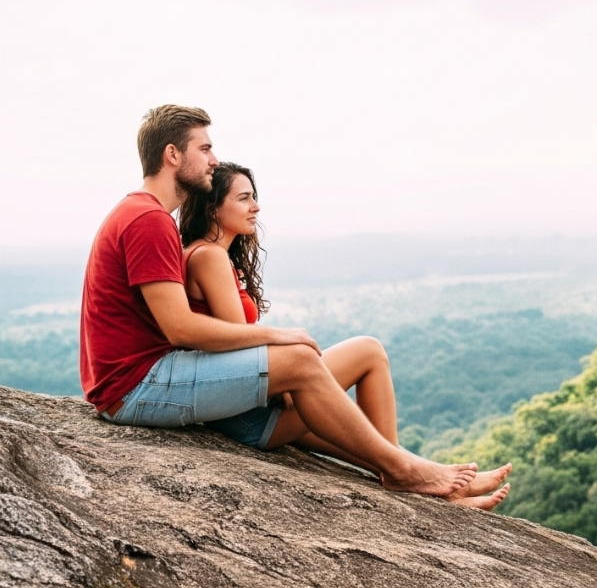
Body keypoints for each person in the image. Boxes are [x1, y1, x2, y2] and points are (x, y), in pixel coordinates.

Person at [79, 105, 508, 507]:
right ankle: (403, 469)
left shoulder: (146, 216)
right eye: (204, 148)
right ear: (172, 154)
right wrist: (280, 337)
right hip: (138, 386)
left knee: (316, 377)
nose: (213, 160)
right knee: (302, 362)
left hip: (138, 380)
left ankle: (410, 471)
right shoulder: (148, 220)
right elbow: (181, 329)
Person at [177, 161, 510, 509]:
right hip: (249, 417)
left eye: (253, 197)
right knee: (369, 352)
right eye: (244, 198)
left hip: (242, 414)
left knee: (367, 443)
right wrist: (288, 372)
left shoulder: (214, 256)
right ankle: (407, 476)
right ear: (213, 208)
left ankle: (442, 487)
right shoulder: (209, 257)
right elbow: (240, 351)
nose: (255, 207)